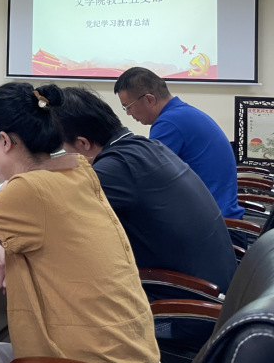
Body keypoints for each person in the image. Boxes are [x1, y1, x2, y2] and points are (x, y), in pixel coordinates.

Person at [0, 83, 158, 363]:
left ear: (4, 141)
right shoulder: (79, 170)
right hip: (132, 351)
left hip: (89, 357)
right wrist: (3, 245)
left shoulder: (29, 189)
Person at [54, 87, 237, 300]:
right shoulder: (147, 147)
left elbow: (54, 213)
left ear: (83, 143)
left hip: (189, 302)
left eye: (65, 149)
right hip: (222, 287)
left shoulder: (115, 170)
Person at [113, 67, 244, 223]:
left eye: (128, 107)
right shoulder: (182, 114)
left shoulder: (169, 123)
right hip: (222, 215)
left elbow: (146, 178)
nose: (128, 113)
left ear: (149, 100)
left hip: (213, 224)